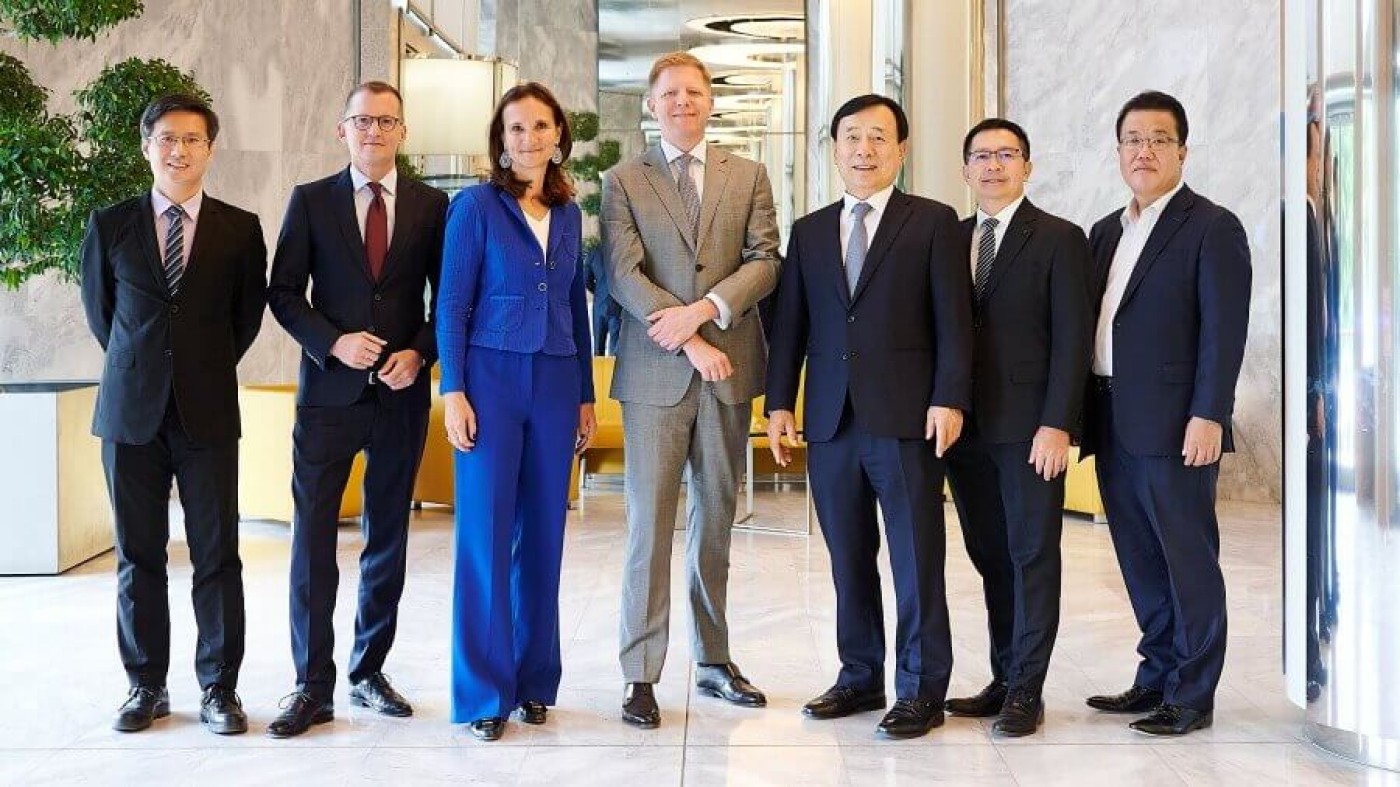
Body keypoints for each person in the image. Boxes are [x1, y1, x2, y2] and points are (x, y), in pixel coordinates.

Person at [765, 94, 973, 740]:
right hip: (830, 420)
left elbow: (954, 322)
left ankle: (920, 688)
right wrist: (778, 403)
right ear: (834, 149)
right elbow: (792, 325)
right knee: (847, 558)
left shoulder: (934, 222)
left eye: (878, 138)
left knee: (915, 559)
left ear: (901, 150)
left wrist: (951, 396)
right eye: (851, 137)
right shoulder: (810, 229)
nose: (864, 149)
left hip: (908, 417)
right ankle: (859, 675)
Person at [601, 51, 781, 728]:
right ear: (652, 104)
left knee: (715, 519)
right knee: (648, 525)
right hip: (654, 376)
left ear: (711, 102)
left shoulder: (750, 174)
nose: (682, 101)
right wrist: (688, 339)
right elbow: (622, 273)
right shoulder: (623, 180)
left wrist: (705, 312)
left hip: (729, 375)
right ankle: (639, 673)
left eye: (694, 92)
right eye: (669, 92)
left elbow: (766, 261)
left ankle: (713, 659)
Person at [265, 81, 448, 738]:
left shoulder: (433, 205)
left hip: (399, 399)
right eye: (362, 120)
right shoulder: (311, 201)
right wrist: (332, 341)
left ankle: (368, 671)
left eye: (387, 121)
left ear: (403, 131)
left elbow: (446, 301)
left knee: (388, 538)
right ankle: (312, 684)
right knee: (313, 541)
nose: (374, 131)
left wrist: (421, 354)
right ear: (341, 130)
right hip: (328, 399)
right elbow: (283, 292)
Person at [80, 93, 267, 735]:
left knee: (218, 555)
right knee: (138, 554)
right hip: (130, 415)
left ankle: (219, 688)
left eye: (192, 139)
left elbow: (243, 322)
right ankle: (145, 686)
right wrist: (147, 369)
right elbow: (105, 318)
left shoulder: (240, 229)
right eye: (166, 138)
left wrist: (195, 367)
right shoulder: (109, 225)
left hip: (207, 413)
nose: (179, 150)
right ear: (146, 146)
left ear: (210, 148)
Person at [1081, 91, 1251, 736]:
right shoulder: (1104, 232)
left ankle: (1193, 694)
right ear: (1119, 151)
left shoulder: (1211, 225)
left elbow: (1222, 331)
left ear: (1182, 150)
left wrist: (1209, 413)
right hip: (1111, 416)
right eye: (1132, 139)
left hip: (1177, 423)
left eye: (1158, 139)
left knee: (1187, 558)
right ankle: (1155, 676)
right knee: (1138, 557)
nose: (1143, 151)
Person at [438, 82, 597, 742]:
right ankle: (482, 692)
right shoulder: (475, 207)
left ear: (559, 135)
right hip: (491, 382)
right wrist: (454, 391)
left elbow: (576, 310)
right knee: (484, 535)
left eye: (540, 125)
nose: (528, 138)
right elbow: (450, 303)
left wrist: (586, 393)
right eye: (515, 128)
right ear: (500, 142)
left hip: (558, 382)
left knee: (544, 537)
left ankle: (535, 680)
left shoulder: (568, 214)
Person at [942, 118, 1091, 736]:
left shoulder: (1060, 238)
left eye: (1007, 155)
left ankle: (1028, 690)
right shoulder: (948, 239)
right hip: (965, 430)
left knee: (1032, 556)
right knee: (990, 557)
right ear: (966, 168)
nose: (994, 166)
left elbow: (1073, 340)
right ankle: (1003, 677)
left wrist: (1058, 424)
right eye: (981, 156)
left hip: (1032, 431)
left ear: (1028, 166)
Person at [584, 242, 622, 355]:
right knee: (615, 347)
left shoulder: (594, 252)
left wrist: (597, 293)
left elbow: (586, 280)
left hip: (599, 305)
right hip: (617, 305)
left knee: (598, 347)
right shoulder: (620, 252)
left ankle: (598, 372)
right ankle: (614, 372)